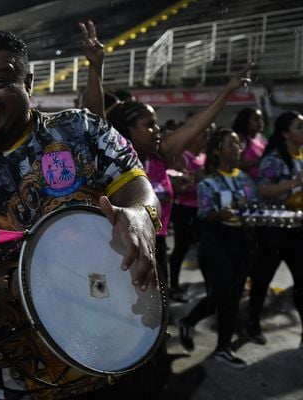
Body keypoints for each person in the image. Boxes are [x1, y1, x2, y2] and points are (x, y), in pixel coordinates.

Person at [0, 28, 167, 400]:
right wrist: (34, 288)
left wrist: (141, 215)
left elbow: (136, 187)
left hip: (88, 374)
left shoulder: (82, 131)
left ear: (27, 82)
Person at [107, 64, 252, 302]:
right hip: (123, 244)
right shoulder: (113, 162)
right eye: (149, 125)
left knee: (155, 306)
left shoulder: (159, 156)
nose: (157, 131)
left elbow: (196, 125)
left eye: (156, 124)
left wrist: (227, 91)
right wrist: (96, 67)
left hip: (158, 242)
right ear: (128, 130)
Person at [178, 128, 258, 368]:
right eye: (231, 144)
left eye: (238, 144)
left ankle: (223, 347)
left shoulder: (245, 179)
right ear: (217, 150)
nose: (237, 148)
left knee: (234, 297)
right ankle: (190, 320)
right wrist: (218, 214)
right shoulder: (208, 182)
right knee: (221, 293)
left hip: (241, 241)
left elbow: (252, 205)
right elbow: (203, 214)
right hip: (216, 243)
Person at [246, 111, 303, 348]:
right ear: (285, 133)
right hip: (273, 230)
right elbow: (263, 191)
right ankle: (252, 324)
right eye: (299, 127)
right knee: (262, 280)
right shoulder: (274, 159)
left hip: (298, 228)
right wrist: (294, 183)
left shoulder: (301, 156)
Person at [167, 123, 213, 300]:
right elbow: (174, 181)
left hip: (201, 210)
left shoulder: (204, 156)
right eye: (204, 135)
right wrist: (191, 179)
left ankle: (211, 285)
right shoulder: (183, 157)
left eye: (209, 135)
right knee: (181, 248)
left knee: (205, 249)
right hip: (184, 209)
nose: (207, 139)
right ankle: (173, 285)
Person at [232, 107, 267, 180]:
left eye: (261, 119)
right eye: (256, 119)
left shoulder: (261, 138)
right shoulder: (239, 139)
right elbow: (235, 165)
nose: (260, 122)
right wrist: (259, 161)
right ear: (245, 121)